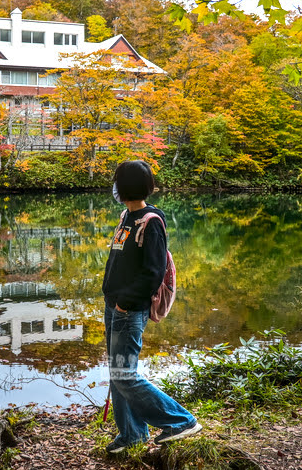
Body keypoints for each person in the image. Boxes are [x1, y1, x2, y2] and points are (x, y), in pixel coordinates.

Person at [101, 160, 201, 454]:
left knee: (124, 374)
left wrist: (125, 303)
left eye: (117, 181)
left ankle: (180, 421)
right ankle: (132, 434)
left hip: (128, 310)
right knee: (118, 374)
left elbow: (153, 272)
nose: (114, 187)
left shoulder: (151, 222)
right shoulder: (127, 216)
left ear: (125, 187)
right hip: (114, 305)